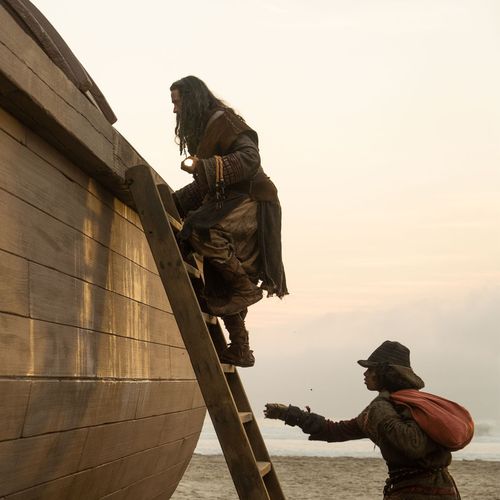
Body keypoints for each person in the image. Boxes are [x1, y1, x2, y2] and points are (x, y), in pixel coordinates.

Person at [170, 76, 287, 368]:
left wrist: (205, 167)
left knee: (202, 229)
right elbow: (204, 186)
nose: (175, 111)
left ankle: (246, 290)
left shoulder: (225, 122)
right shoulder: (205, 132)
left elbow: (250, 159)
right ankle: (240, 348)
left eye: (177, 102)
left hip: (251, 199)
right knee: (220, 282)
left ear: (192, 99)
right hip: (226, 202)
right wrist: (172, 202)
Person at [265, 341, 464, 499]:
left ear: (385, 373)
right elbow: (337, 430)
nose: (365, 373)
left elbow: (413, 445)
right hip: (410, 490)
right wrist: (291, 414)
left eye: (371, 369)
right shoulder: (383, 406)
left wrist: (380, 405)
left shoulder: (402, 407)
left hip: (427, 493)